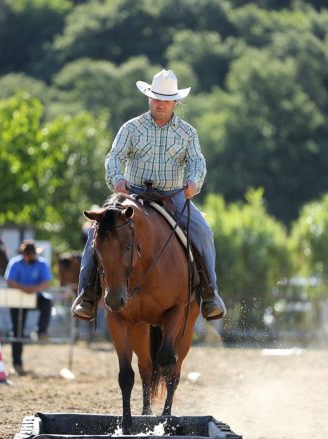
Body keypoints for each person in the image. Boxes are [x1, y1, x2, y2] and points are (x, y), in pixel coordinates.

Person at [73, 68, 227, 322]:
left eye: (166, 100)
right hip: (132, 196)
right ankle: (87, 294)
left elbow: (198, 162)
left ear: (176, 102)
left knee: (203, 232)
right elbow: (114, 158)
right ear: (149, 99)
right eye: (156, 98)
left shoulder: (187, 133)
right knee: (96, 231)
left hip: (173, 196)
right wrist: (117, 180)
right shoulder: (131, 128)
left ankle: (209, 292)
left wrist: (193, 182)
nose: (160, 104)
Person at [4, 240, 53, 375]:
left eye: (32, 255)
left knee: (47, 301)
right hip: (18, 299)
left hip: (35, 296)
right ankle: (17, 364)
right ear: (23, 254)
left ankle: (41, 331)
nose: (29, 257)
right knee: (17, 332)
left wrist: (35, 289)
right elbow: (9, 280)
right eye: (27, 254)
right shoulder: (15, 262)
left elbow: (47, 281)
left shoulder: (42, 263)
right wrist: (24, 288)